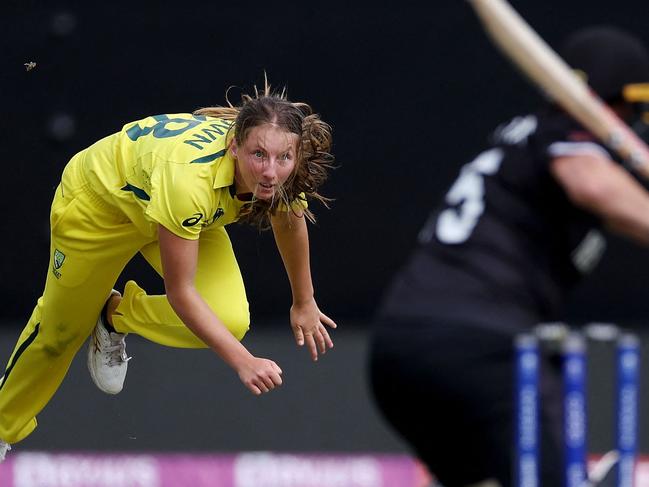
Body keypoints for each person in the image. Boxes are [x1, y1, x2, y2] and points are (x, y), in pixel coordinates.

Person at [368, 26, 649, 487]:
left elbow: (624, 209)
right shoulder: (567, 129)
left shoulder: (523, 149)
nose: (634, 124)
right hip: (482, 348)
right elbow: (592, 183)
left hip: (400, 351)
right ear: (609, 101)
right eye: (632, 109)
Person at [0, 81, 337, 460]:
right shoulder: (189, 183)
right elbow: (182, 293)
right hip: (99, 206)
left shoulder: (281, 175)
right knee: (59, 334)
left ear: (296, 154)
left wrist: (304, 301)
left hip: (168, 211)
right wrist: (243, 361)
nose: (270, 173)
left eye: (283, 158)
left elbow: (289, 222)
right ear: (234, 146)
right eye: (258, 155)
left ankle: (112, 316)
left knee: (229, 320)